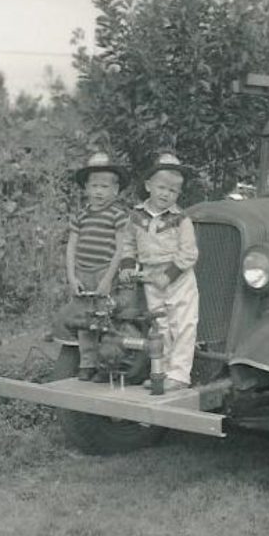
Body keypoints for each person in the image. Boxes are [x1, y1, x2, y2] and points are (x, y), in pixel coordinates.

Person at [119, 153, 199, 395]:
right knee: (159, 324)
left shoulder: (180, 219)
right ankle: (160, 371)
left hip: (178, 277)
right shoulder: (136, 216)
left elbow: (189, 253)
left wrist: (170, 275)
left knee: (183, 323)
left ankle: (179, 375)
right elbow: (128, 245)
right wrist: (126, 267)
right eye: (162, 188)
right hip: (150, 277)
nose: (166, 194)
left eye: (173, 191)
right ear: (148, 186)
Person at [66, 152, 130, 381]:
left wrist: (107, 280)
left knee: (105, 320)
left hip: (105, 271)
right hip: (83, 272)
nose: (99, 192)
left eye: (105, 187)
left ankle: (106, 366)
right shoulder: (80, 216)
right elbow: (71, 247)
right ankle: (87, 363)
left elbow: (121, 250)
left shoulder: (118, 216)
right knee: (85, 321)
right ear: (86, 188)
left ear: (115, 191)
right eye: (94, 186)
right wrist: (72, 277)